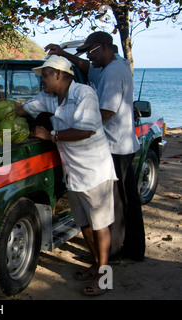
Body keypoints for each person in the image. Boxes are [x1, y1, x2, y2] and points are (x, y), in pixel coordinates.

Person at [17, 55, 117, 296]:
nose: (42, 81)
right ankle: (95, 265)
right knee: (84, 223)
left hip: (95, 171)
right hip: (73, 172)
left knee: (100, 225)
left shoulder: (84, 94)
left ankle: (105, 277)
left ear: (59, 75)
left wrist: (51, 136)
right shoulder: (50, 98)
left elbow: (86, 130)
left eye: (45, 76)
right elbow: (24, 108)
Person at [45, 32, 145, 262]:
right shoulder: (111, 67)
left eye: (91, 52)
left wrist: (73, 127)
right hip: (123, 143)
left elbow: (106, 113)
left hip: (115, 146)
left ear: (104, 48)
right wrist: (62, 54)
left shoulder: (113, 73)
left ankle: (115, 254)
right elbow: (86, 67)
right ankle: (133, 248)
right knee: (128, 199)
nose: (89, 58)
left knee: (116, 206)